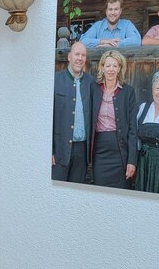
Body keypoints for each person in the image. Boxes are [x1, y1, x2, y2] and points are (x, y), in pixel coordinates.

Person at [89, 50, 137, 188]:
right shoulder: (93, 88)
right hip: (99, 150)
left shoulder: (128, 92)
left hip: (120, 151)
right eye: (108, 65)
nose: (111, 69)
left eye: (115, 66)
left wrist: (132, 160)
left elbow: (133, 129)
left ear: (120, 68)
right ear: (102, 67)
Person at [52, 42, 96, 182]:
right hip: (59, 148)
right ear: (69, 57)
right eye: (77, 54)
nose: (80, 58)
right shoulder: (55, 80)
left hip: (82, 150)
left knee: (76, 191)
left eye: (83, 55)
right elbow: (46, 118)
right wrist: (49, 150)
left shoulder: (91, 83)